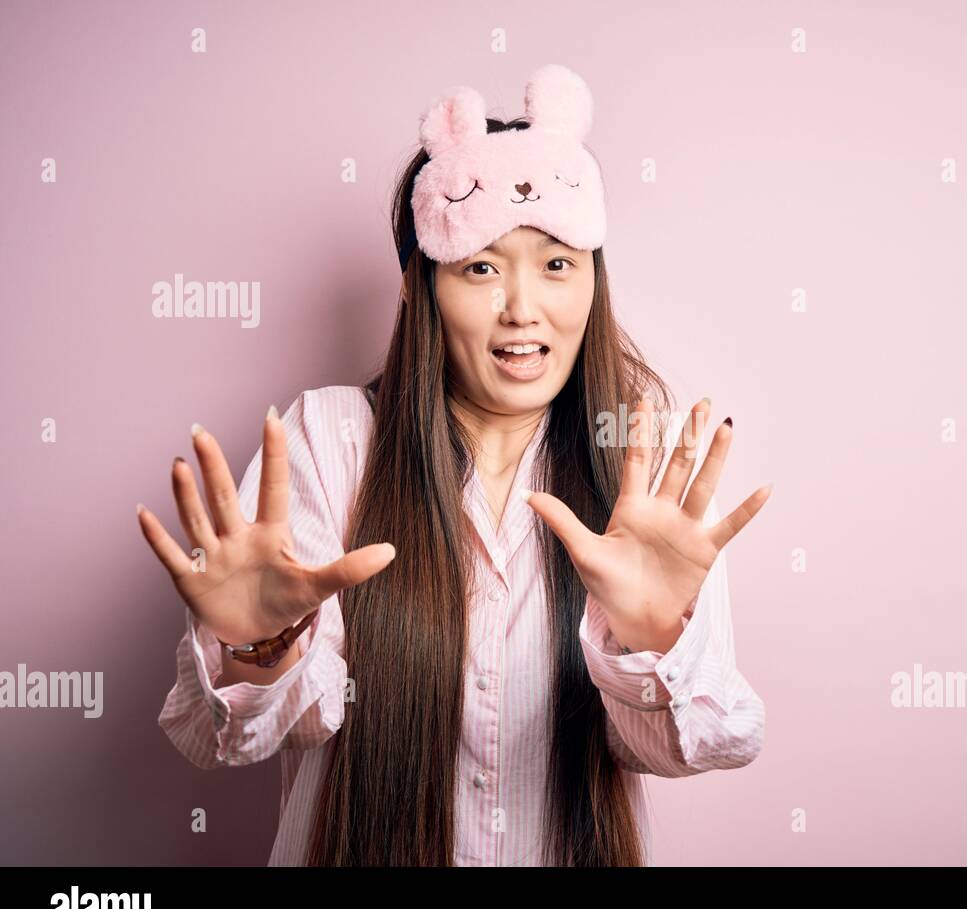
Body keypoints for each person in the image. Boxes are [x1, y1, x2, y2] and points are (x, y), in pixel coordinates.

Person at [138, 64, 772, 866]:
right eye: (480, 266)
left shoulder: (643, 466)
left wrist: (651, 635)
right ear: (419, 287)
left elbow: (701, 746)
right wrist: (259, 647)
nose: (522, 307)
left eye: (556, 263)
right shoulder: (334, 439)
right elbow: (236, 736)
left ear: (592, 281)